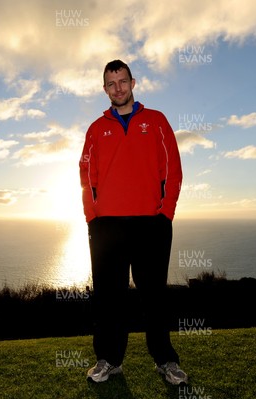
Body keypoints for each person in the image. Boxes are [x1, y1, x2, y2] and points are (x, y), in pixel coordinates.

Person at [79, 59, 187, 385]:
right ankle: (109, 361)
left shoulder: (155, 121)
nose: (118, 88)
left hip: (150, 224)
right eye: (111, 84)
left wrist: (165, 213)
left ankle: (166, 361)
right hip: (106, 226)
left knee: (154, 296)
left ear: (133, 82)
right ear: (104, 89)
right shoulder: (96, 129)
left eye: (122, 81)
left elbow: (173, 169)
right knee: (109, 298)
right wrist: (92, 218)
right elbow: (86, 175)